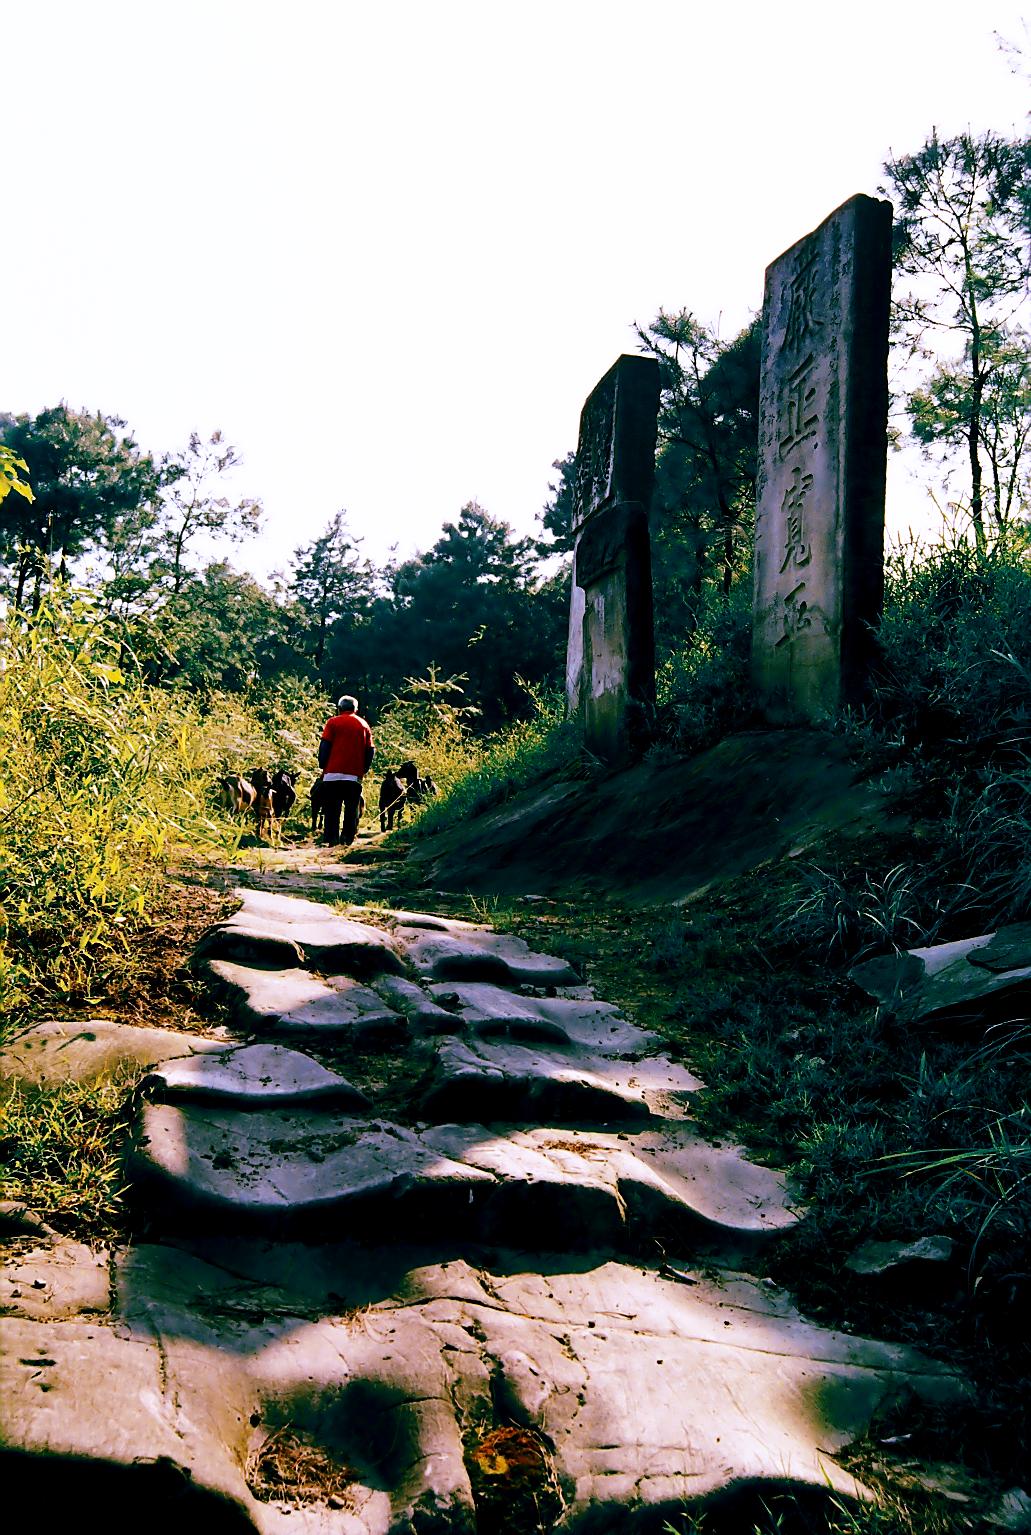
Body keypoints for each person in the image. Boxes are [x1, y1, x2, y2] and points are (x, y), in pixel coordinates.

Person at [317, 694, 374, 846]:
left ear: (339, 708)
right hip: (353, 776)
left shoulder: (332, 722)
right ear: (356, 709)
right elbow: (370, 750)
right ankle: (347, 839)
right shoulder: (363, 724)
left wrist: (322, 765)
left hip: (332, 775)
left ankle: (331, 839)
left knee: (331, 809)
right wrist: (364, 768)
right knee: (351, 809)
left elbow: (325, 745)